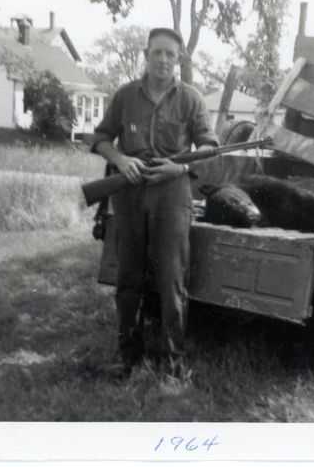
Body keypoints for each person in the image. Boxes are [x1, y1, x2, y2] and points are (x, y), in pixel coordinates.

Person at [91, 27, 219, 378]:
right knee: (128, 278)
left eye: (171, 55)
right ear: (145, 55)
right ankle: (126, 356)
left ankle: (173, 363)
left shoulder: (191, 98)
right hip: (129, 192)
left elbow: (208, 146)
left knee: (172, 279)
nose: (163, 60)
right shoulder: (125, 95)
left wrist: (178, 165)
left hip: (172, 193)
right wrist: (120, 160)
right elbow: (100, 137)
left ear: (178, 61)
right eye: (157, 52)